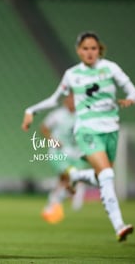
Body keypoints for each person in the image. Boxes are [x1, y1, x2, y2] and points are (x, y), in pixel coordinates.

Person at [21, 31, 135, 242]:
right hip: (86, 130)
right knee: (107, 176)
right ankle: (119, 225)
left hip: (110, 130)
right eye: (85, 48)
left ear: (99, 49)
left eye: (93, 48)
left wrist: (130, 99)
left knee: (103, 176)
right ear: (78, 51)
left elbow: (134, 92)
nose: (89, 52)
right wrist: (31, 110)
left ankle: (76, 178)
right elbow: (53, 100)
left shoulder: (110, 68)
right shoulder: (72, 74)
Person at [38, 94, 94, 224]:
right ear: (65, 101)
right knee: (67, 176)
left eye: (74, 100)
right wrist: (53, 141)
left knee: (66, 179)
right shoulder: (57, 115)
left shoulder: (82, 116)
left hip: (75, 152)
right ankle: (69, 197)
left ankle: (53, 203)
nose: (72, 102)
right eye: (70, 99)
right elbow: (43, 128)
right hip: (59, 152)